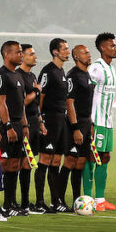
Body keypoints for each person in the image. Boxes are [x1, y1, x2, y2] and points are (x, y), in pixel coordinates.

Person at [35, 38, 72, 214]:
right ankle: (39, 202)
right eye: (64, 49)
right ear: (55, 52)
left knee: (56, 161)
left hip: (61, 121)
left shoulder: (62, 71)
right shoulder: (47, 71)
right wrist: (40, 121)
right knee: (44, 160)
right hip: (49, 120)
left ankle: (55, 201)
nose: (67, 51)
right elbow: (40, 98)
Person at [0, 40, 27, 216]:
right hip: (7, 126)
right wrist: (7, 127)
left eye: (21, 52)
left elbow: (21, 105)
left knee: (16, 164)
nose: (21, 55)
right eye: (18, 52)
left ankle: (11, 203)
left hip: (18, 125)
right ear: (7, 54)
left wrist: (25, 124)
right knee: (4, 164)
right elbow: (0, 103)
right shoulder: (1, 74)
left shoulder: (18, 75)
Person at [86, 33, 116, 211]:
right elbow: (87, 94)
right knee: (92, 157)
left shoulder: (112, 68)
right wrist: (88, 120)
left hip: (107, 122)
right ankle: (87, 198)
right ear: (102, 48)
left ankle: (100, 199)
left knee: (105, 157)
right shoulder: (96, 68)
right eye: (112, 45)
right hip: (95, 120)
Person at [65, 44, 94, 205]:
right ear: (76, 57)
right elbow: (70, 103)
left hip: (85, 122)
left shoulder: (87, 75)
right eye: (85, 53)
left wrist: (90, 123)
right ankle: (59, 200)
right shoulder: (73, 75)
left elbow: (87, 102)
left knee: (81, 162)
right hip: (74, 124)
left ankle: (77, 199)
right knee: (70, 161)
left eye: (89, 52)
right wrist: (75, 128)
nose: (88, 55)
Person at [18, 44, 42, 214]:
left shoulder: (32, 75)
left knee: (29, 163)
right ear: (23, 56)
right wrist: (36, 91)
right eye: (31, 54)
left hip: (34, 122)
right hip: (22, 123)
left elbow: (34, 104)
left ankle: (26, 202)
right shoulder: (18, 75)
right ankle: (18, 203)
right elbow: (24, 101)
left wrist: (40, 122)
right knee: (19, 163)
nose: (35, 57)